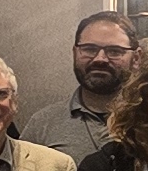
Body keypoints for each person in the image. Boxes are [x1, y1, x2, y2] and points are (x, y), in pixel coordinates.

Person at [24, 10, 138, 162]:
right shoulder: (43, 123)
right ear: (74, 53)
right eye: (89, 49)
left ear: (136, 58)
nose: (100, 59)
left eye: (114, 51)